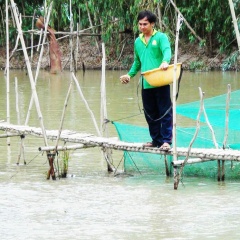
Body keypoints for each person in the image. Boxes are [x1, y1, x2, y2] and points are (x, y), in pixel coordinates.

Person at [120, 10, 172, 151]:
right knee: (150, 114)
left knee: (165, 112)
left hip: (161, 82)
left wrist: (165, 61)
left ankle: (166, 141)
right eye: (140, 24)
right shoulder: (138, 41)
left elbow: (167, 51)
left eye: (145, 24)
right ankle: (156, 140)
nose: (142, 27)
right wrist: (129, 75)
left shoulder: (161, 37)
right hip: (146, 84)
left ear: (152, 24)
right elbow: (137, 62)